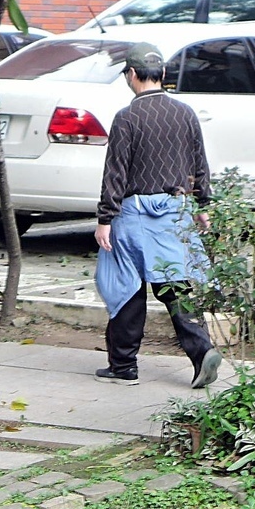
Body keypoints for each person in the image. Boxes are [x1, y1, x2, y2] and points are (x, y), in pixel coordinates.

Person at [93, 41, 222, 388]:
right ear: (162, 74)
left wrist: (105, 219)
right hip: (175, 212)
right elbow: (199, 163)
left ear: (132, 75)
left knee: (127, 287)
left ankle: (123, 367)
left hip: (133, 214)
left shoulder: (127, 117)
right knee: (174, 284)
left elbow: (115, 173)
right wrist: (202, 206)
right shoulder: (184, 113)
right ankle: (202, 350)